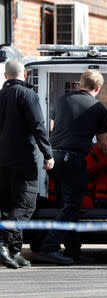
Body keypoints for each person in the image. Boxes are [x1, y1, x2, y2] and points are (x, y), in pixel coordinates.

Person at [37, 70, 107, 265]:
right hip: (73, 159)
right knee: (72, 206)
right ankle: (49, 248)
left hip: (54, 158)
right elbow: (105, 144)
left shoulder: (63, 100)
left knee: (65, 205)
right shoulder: (98, 108)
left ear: (80, 84)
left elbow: (52, 128)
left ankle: (73, 250)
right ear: (98, 88)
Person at [0, 59, 54, 269]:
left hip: (2, 161)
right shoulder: (28, 95)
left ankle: (14, 252)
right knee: (25, 205)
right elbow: (38, 126)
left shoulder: (1, 96)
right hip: (22, 160)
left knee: (8, 205)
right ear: (25, 75)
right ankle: (4, 242)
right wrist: (48, 154)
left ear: (6, 76)